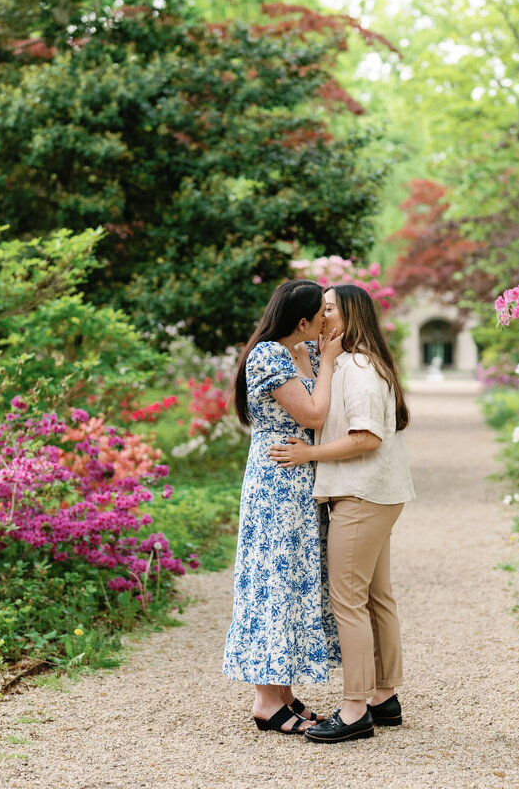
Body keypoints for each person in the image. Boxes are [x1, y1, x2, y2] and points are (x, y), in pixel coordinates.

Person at [269, 283, 415, 743]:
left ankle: (355, 709)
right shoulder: (354, 364)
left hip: (361, 495)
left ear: (351, 316)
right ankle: (383, 696)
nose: (322, 315)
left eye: (329, 308)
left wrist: (307, 456)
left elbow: (365, 437)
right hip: (375, 494)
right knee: (376, 597)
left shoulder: (361, 367)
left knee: (347, 601)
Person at [223, 279, 343, 735]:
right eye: (321, 316)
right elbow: (313, 414)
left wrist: (324, 358)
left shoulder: (305, 353)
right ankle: (265, 700)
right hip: (276, 479)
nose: (326, 322)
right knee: (274, 579)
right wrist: (329, 363)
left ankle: (285, 694)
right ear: (302, 322)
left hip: (303, 478)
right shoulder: (269, 354)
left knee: (295, 580)